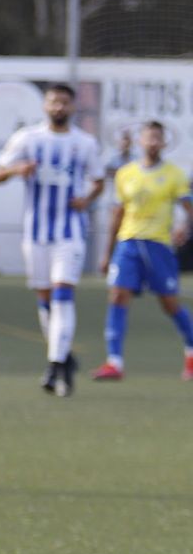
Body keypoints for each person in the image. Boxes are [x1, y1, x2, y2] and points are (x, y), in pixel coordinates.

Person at [0, 83, 104, 397]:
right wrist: (18, 169)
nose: (59, 107)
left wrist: (87, 200)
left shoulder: (84, 143)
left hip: (69, 232)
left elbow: (98, 181)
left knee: (62, 296)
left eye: (65, 103)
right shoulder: (28, 139)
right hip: (36, 232)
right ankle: (64, 359)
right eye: (54, 102)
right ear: (45, 105)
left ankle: (55, 365)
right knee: (45, 302)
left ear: (73, 107)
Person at [89, 121, 193, 382]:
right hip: (128, 243)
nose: (152, 142)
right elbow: (117, 213)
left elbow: (188, 207)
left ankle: (191, 352)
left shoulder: (174, 174)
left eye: (157, 138)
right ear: (139, 141)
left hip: (158, 244)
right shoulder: (126, 174)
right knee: (117, 296)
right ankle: (114, 362)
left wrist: (184, 227)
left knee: (170, 304)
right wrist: (107, 252)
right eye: (148, 137)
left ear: (164, 143)